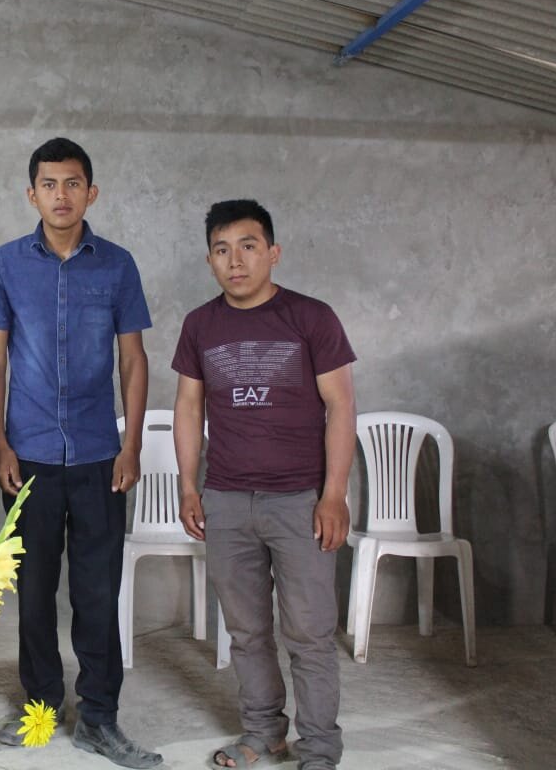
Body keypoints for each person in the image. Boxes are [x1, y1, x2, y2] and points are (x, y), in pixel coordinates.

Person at [0, 137, 160, 769]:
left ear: (91, 192)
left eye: (73, 183)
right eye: (49, 184)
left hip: (98, 454)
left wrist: (130, 444)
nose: (62, 195)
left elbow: (133, 358)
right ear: (32, 194)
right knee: (33, 590)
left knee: (97, 590)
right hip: (27, 454)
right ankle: (40, 705)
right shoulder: (6, 263)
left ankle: (100, 718)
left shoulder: (117, 266)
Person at [171, 199, 356, 770]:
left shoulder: (311, 317)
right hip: (226, 499)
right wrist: (189, 486)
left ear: (272, 253)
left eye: (248, 247)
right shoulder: (200, 325)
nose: (236, 261)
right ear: (209, 260)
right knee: (246, 632)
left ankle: (319, 747)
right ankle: (264, 732)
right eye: (222, 250)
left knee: (309, 633)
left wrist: (333, 494)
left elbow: (341, 405)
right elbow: (188, 407)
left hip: (300, 501)